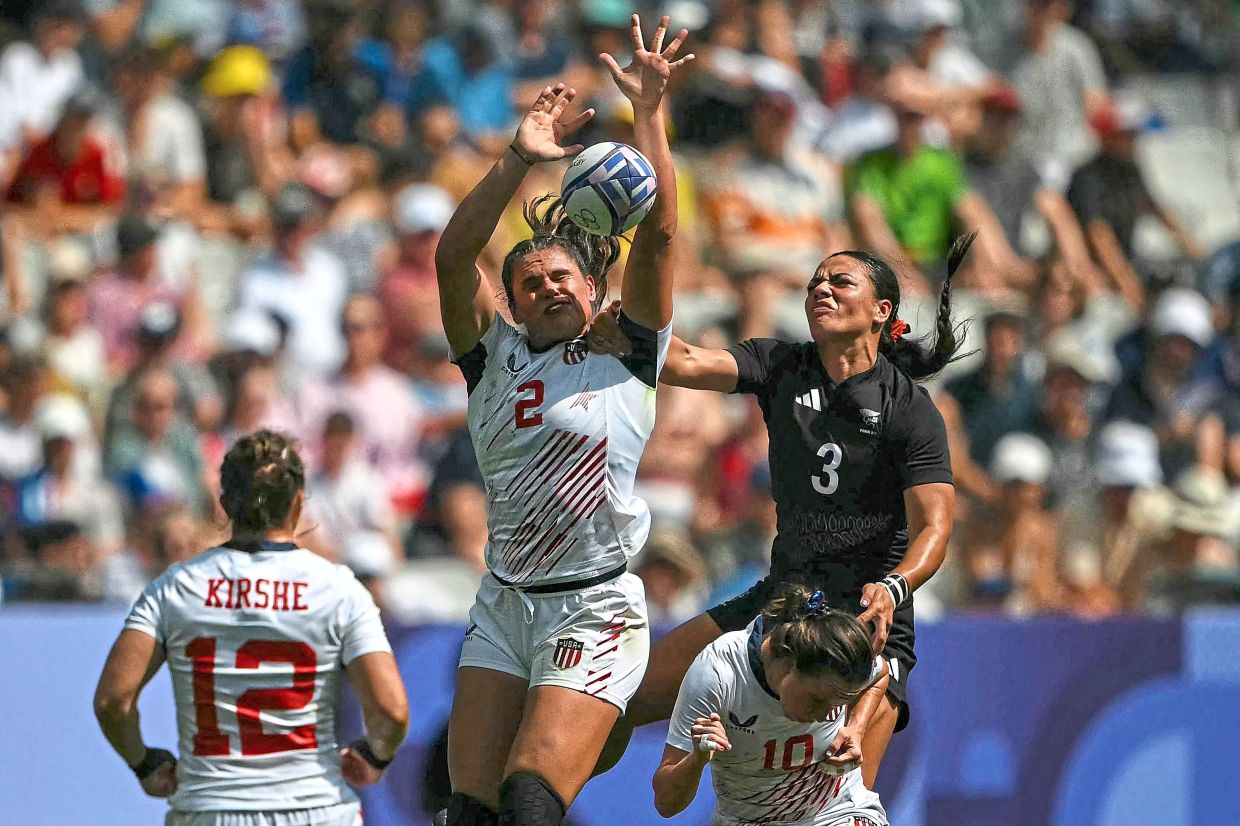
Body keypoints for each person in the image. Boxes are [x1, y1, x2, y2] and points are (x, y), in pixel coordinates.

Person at [433, 15, 690, 825]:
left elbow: (662, 237)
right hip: (505, 602)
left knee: (531, 800)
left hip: (593, 604)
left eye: (560, 275)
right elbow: (451, 258)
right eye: (530, 280)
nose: (547, 286)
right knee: (469, 812)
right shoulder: (492, 359)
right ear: (510, 302)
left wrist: (649, 115)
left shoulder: (628, 350)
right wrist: (519, 157)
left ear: (591, 288)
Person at [591, 236, 967, 787]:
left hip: (862, 629)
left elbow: (936, 526)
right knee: (617, 703)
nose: (821, 287)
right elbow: (690, 360)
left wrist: (894, 586)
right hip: (781, 598)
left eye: (840, 282)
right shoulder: (782, 364)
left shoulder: (909, 408)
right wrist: (627, 341)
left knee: (840, 801)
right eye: (817, 279)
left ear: (881, 312)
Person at [92, 430, 409, 826]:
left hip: (209, 811)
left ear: (224, 505)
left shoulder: (175, 588)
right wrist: (374, 755)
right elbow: (391, 711)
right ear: (297, 504)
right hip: (316, 810)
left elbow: (112, 700)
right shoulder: (339, 589)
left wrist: (144, 762)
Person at [653, 587, 889, 825]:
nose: (823, 715)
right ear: (789, 663)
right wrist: (697, 759)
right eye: (817, 700)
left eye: (838, 703)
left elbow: (880, 674)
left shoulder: (837, 666)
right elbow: (666, 803)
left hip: (839, 811)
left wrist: (857, 727)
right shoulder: (719, 673)